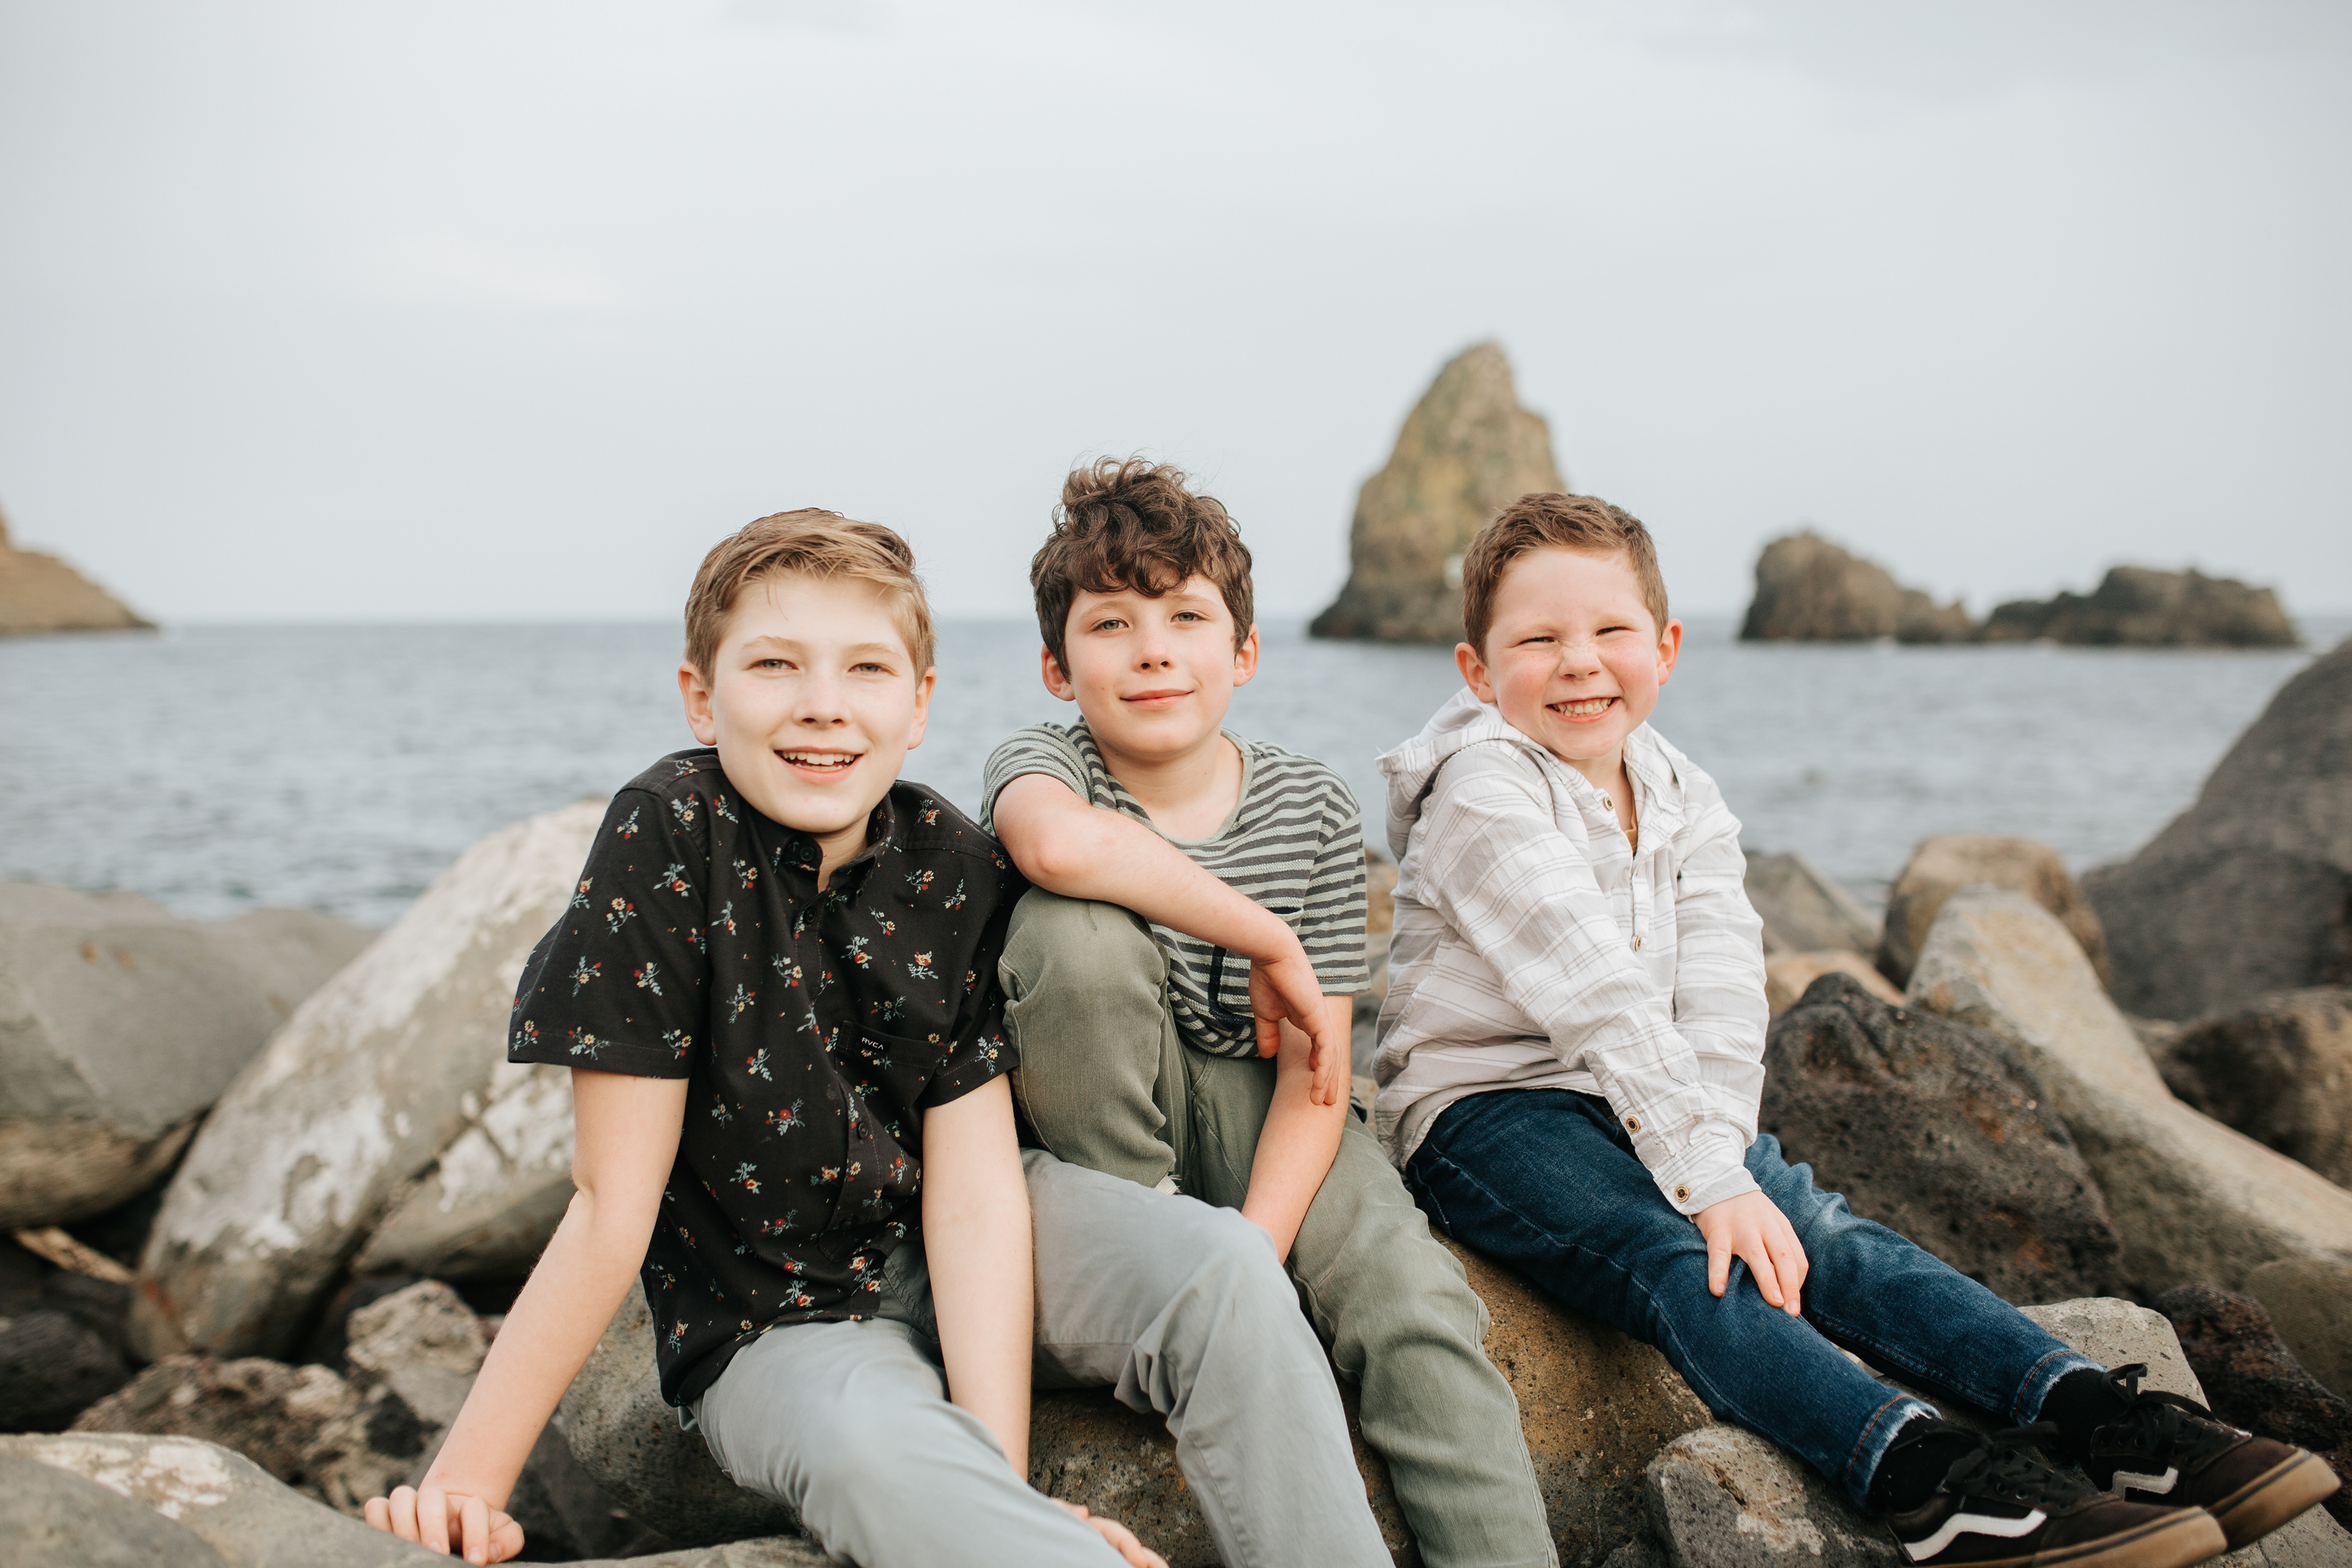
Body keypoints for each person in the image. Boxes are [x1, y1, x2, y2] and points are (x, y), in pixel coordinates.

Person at [362, 509, 1392, 1568]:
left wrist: (1003, 1485)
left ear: (919, 705)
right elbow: (607, 1202)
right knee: (873, 1452)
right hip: (774, 1313)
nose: (824, 704)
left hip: (966, 1242)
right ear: (702, 698)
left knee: (1225, 1267)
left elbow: (979, 1202)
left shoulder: (950, 860)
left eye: (866, 668)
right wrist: (465, 1483)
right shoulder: (667, 833)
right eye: (775, 664)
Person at [1372, 491, 2339, 1568]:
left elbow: (1724, 996)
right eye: (1539, 641)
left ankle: (2094, 1416)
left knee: (1818, 1232)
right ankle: (1930, 1483)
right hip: (1487, 1111)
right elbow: (1597, 991)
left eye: (1610, 631)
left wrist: (1724, 1158)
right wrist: (1706, 1184)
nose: (1580, 663)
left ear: (1667, 648)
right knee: (1685, 1259)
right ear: (1477, 671)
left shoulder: (1684, 791)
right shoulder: (1482, 789)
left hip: (1640, 1090)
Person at [981, 458, 1558, 1568]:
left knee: (1416, 1304)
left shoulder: (1311, 804)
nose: (1153, 650)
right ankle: (1152, 1247)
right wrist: (1266, 936)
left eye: (1186, 617)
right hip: (1106, 1135)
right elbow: (1052, 846)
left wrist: (1255, 1248)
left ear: (1243, 653)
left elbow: (1316, 1068)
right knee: (1072, 931)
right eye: (1111, 624)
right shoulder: (1046, 766)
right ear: (1058, 668)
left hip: (1273, 1113)